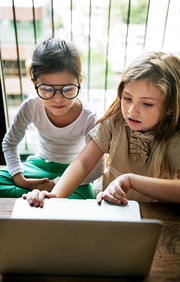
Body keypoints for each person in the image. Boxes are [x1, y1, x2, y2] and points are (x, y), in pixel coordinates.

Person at [23, 51, 180, 207]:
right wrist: (54, 197)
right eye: (127, 98)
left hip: (160, 216)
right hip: (110, 208)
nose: (132, 111)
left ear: (170, 106)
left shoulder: (174, 137)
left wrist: (131, 180)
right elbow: (83, 164)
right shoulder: (113, 124)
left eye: (147, 104)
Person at [0, 38, 105, 198]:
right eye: (47, 89)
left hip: (73, 172)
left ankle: (35, 196)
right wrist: (19, 179)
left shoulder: (89, 117)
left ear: (80, 82)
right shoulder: (31, 106)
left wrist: (57, 184)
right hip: (38, 166)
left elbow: (97, 168)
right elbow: (10, 142)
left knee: (86, 199)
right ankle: (39, 195)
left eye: (68, 89)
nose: (57, 99)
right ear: (35, 83)